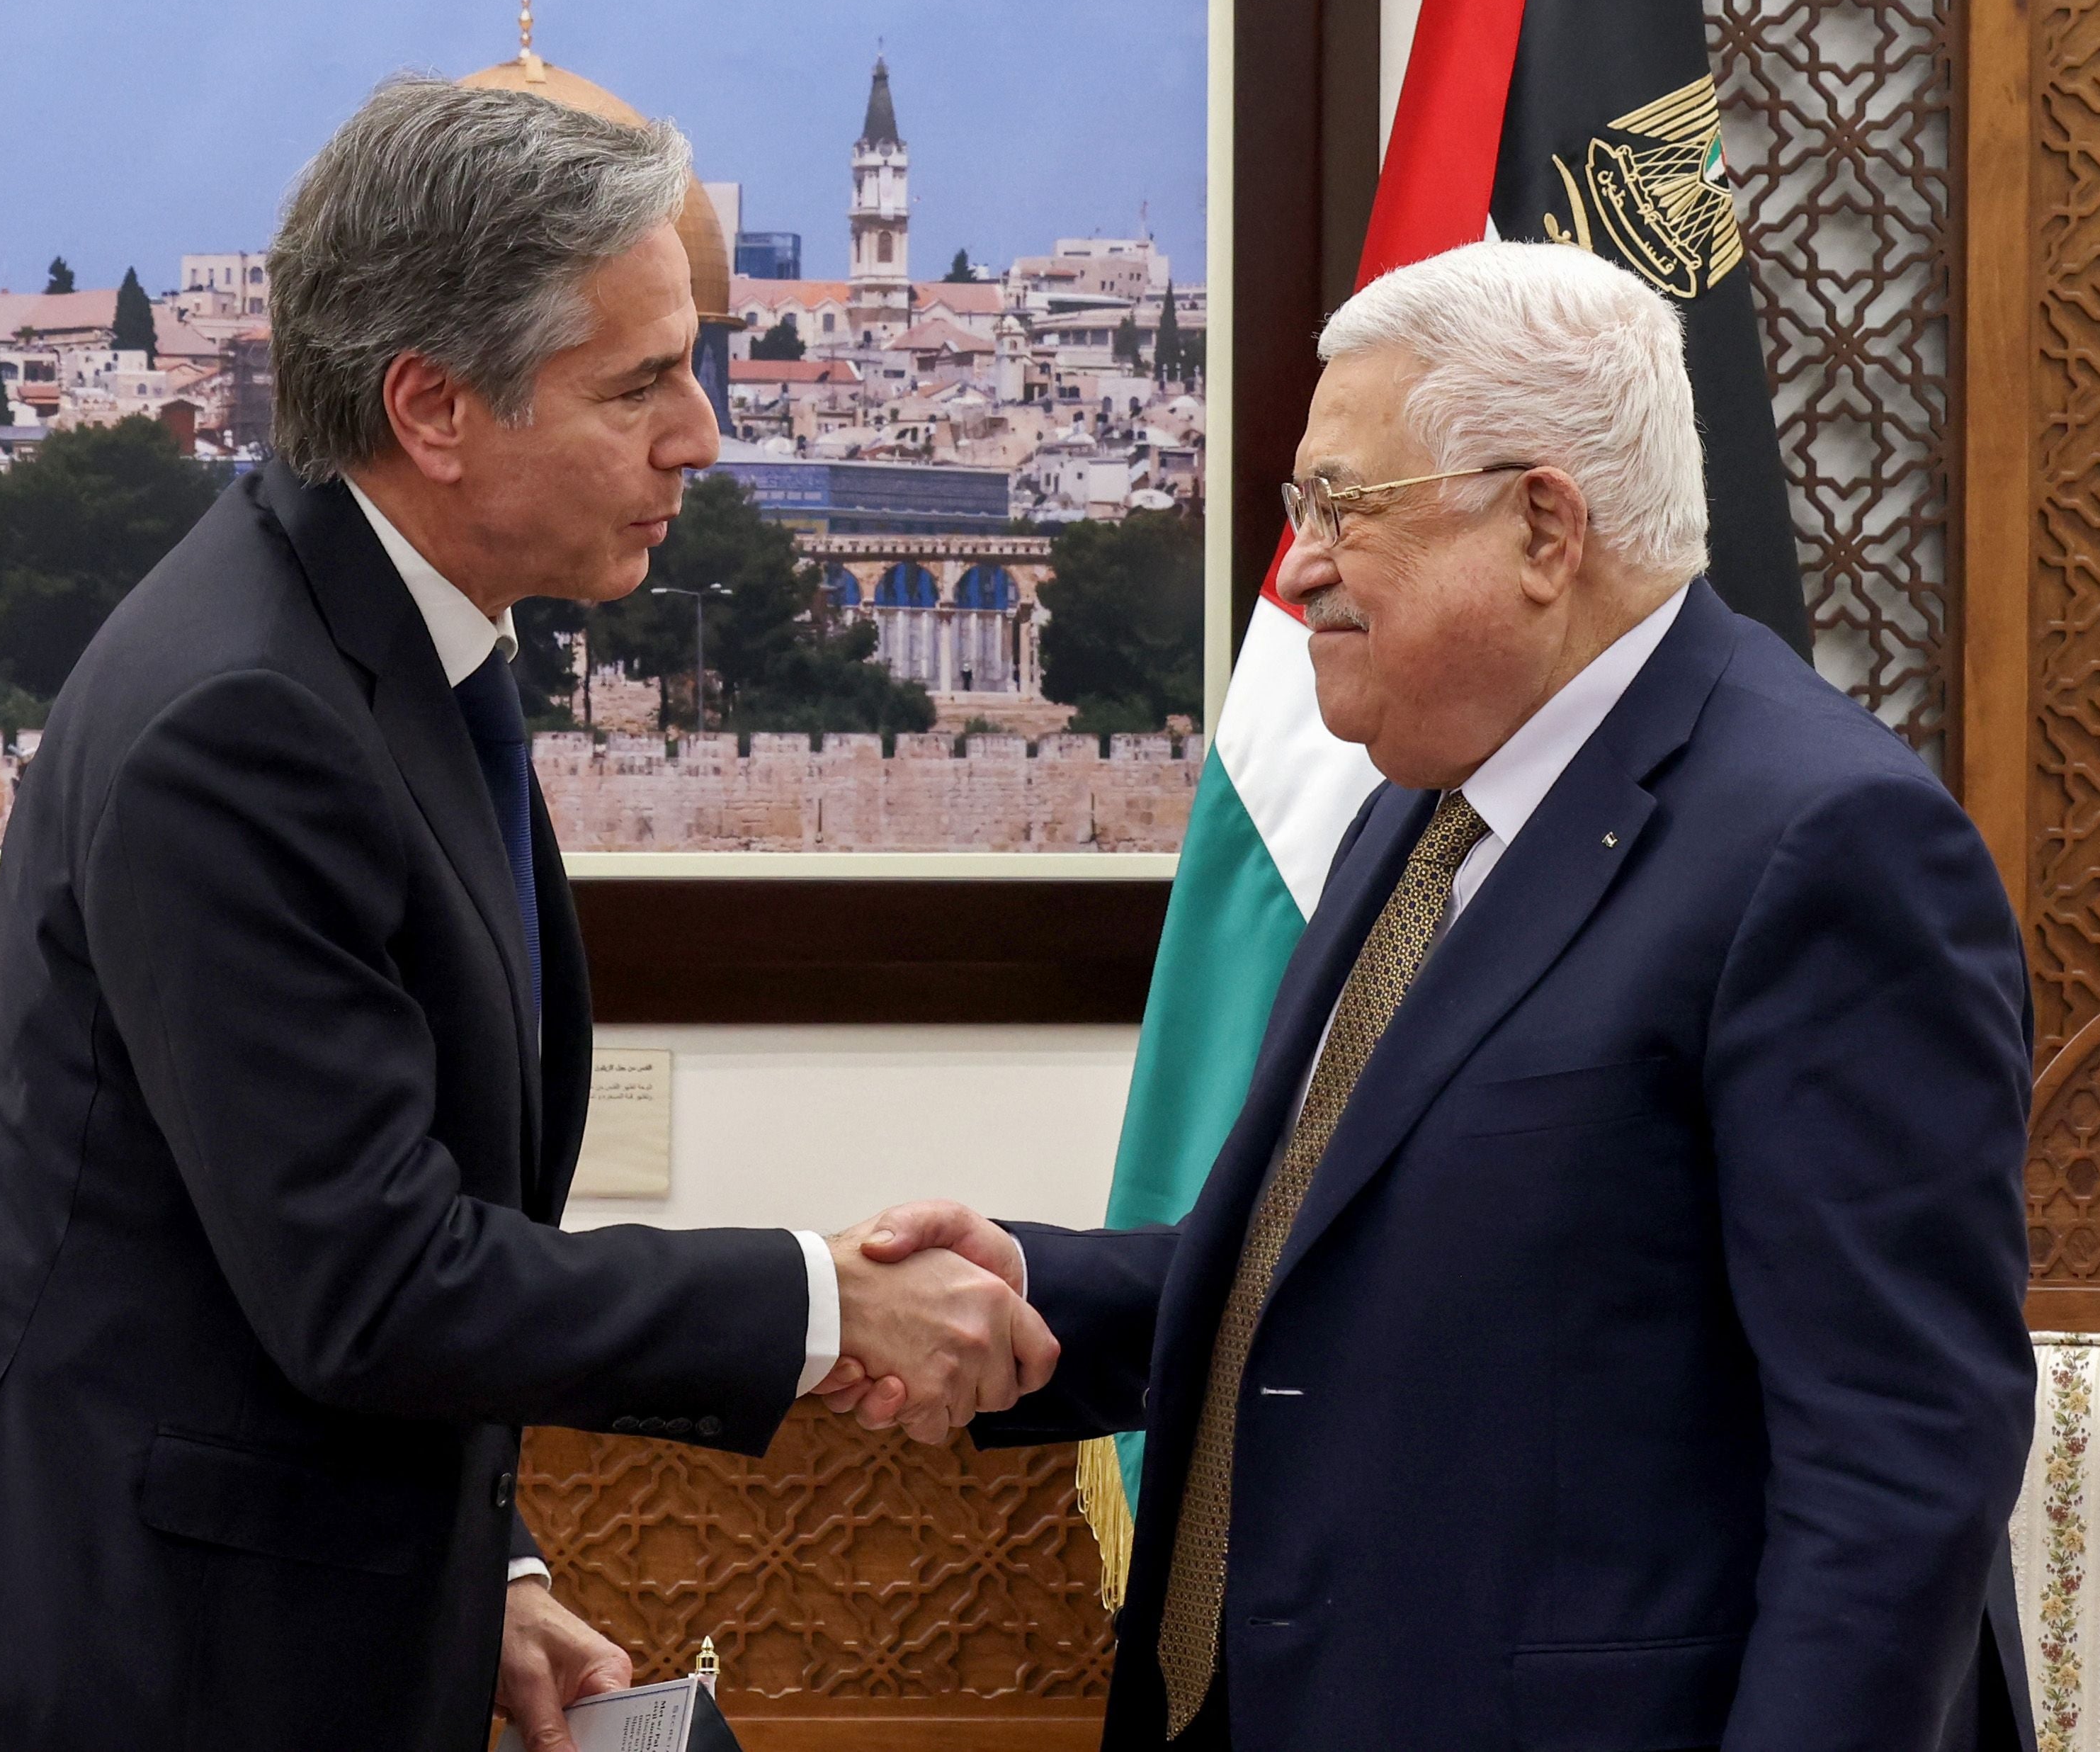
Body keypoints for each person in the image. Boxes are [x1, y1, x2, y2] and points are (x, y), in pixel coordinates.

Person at [0, 79, 1050, 1752]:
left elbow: (298, 1236)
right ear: (432, 404)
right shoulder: (247, 715)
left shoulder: (378, 642)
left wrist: (483, 1559)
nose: (699, 436)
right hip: (81, 1666)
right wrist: (822, 1303)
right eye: (639, 382)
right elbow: (366, 1279)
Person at [835, 240, 2038, 1751]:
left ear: (1544, 522)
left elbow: (1898, 1463)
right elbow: (1355, 1275)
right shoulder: (1419, 802)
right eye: (1298, 508)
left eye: (1344, 506)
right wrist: (1024, 1285)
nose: (1299, 567)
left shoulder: (1826, 846)